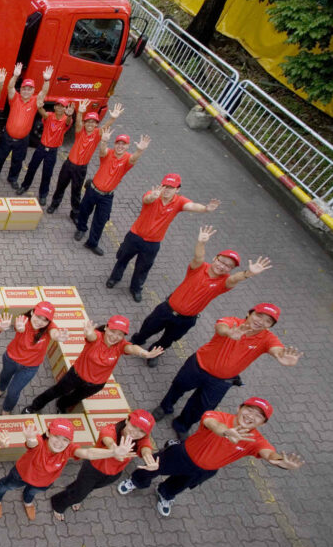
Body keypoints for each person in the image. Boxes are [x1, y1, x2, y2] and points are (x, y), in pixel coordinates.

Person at [119, 398, 304, 517]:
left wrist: (280, 461)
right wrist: (225, 432)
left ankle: (165, 493)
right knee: (153, 467)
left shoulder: (256, 440)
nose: (251, 416)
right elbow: (210, 422)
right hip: (183, 455)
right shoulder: (218, 416)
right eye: (249, 410)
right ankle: (136, 480)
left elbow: (268, 453)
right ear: (240, 407)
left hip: (206, 470)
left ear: (263, 423)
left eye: (258, 416)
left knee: (179, 485)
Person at [154, 303, 301, 437]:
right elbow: (221, 327)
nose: (261, 321)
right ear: (249, 313)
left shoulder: (267, 338)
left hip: (222, 381)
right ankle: (164, 407)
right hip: (198, 366)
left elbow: (276, 349)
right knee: (178, 387)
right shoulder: (233, 322)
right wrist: (229, 332)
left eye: (267, 321)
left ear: (270, 326)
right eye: (259, 315)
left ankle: (182, 425)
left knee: (201, 407)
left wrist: (280, 355)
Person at [131, 227, 271, 367]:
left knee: (169, 339)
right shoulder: (198, 267)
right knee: (148, 327)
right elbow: (198, 257)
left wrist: (248, 274)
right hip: (166, 309)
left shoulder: (223, 282)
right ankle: (137, 340)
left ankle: (155, 352)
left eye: (228, 266)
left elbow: (234, 279)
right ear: (214, 259)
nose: (222, 267)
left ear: (230, 270)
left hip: (186, 320)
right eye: (221, 261)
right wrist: (201, 242)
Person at [0, 418, 131, 520]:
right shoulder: (39, 442)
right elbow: (32, 443)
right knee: (5, 486)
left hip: (44, 482)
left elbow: (88, 453)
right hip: (20, 475)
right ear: (49, 433)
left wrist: (113, 452)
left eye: (65, 440)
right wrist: (30, 438)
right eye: (57, 436)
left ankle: (28, 501)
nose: (60, 443)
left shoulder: (69, 448)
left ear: (70, 441)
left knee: (32, 492)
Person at [107, 175, 221, 301]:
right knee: (122, 258)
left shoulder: (179, 201)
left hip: (153, 243)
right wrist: (153, 197)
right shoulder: (153, 194)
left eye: (171, 187)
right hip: (135, 236)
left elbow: (192, 206)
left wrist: (205, 209)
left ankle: (135, 288)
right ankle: (114, 278)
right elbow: (147, 199)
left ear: (177, 189)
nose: (166, 190)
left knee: (143, 267)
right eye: (165, 186)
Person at [22, 316, 163, 414]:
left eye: (120, 334)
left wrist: (144, 353)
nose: (115, 337)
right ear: (106, 328)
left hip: (96, 384)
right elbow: (91, 337)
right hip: (75, 376)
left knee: (75, 398)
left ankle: (61, 405)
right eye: (113, 331)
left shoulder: (121, 346)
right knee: (55, 391)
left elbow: (132, 349)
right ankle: (35, 406)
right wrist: (89, 333)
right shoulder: (96, 337)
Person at [49, 409, 158, 521]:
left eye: (141, 431)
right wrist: (115, 450)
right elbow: (108, 440)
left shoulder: (141, 438)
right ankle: (58, 504)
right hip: (93, 469)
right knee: (80, 493)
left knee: (87, 489)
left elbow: (145, 448)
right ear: (126, 420)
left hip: (114, 473)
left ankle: (75, 493)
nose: (135, 433)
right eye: (134, 426)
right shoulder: (110, 430)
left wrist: (149, 458)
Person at [73, 130, 151, 256]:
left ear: (127, 146)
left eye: (123, 144)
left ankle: (92, 243)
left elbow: (134, 159)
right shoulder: (108, 153)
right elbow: (102, 151)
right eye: (118, 143)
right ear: (114, 145)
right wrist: (103, 141)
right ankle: (81, 229)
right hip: (93, 190)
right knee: (84, 211)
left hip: (107, 197)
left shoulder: (127, 160)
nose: (120, 146)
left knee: (101, 220)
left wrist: (140, 150)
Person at [45, 100, 121, 216]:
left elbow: (106, 127)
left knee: (76, 191)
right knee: (61, 186)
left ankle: (75, 212)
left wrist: (113, 118)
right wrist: (80, 113)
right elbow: (78, 123)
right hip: (68, 164)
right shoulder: (80, 132)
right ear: (85, 123)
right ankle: (54, 204)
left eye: (93, 122)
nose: (90, 124)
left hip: (80, 169)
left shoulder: (97, 135)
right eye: (88, 122)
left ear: (96, 124)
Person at [0, 63, 53, 188]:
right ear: (20, 89)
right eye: (24, 88)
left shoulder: (35, 101)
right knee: (0, 157)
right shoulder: (14, 98)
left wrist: (47, 80)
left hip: (22, 140)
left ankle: (13, 178)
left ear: (33, 90)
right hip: (7, 136)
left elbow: (44, 91)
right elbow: (10, 87)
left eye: (29, 89)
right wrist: (15, 76)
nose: (26, 91)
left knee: (17, 161)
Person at [0, 301, 68, 415]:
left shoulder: (50, 327)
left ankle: (6, 410)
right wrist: (20, 328)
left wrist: (58, 336)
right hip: (11, 359)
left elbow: (54, 333)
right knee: (4, 376)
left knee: (13, 392)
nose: (40, 322)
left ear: (49, 321)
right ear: (33, 312)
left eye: (45, 320)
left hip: (29, 368)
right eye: (38, 317)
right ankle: (1, 389)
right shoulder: (23, 319)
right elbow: (20, 328)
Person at [14, 99, 74, 205]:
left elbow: (68, 122)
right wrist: (40, 106)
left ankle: (43, 195)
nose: (60, 108)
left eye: (62, 106)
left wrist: (69, 115)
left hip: (52, 151)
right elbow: (43, 113)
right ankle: (24, 186)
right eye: (58, 106)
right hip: (41, 148)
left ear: (65, 108)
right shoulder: (49, 116)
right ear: (54, 107)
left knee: (47, 174)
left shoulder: (66, 120)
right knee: (32, 168)